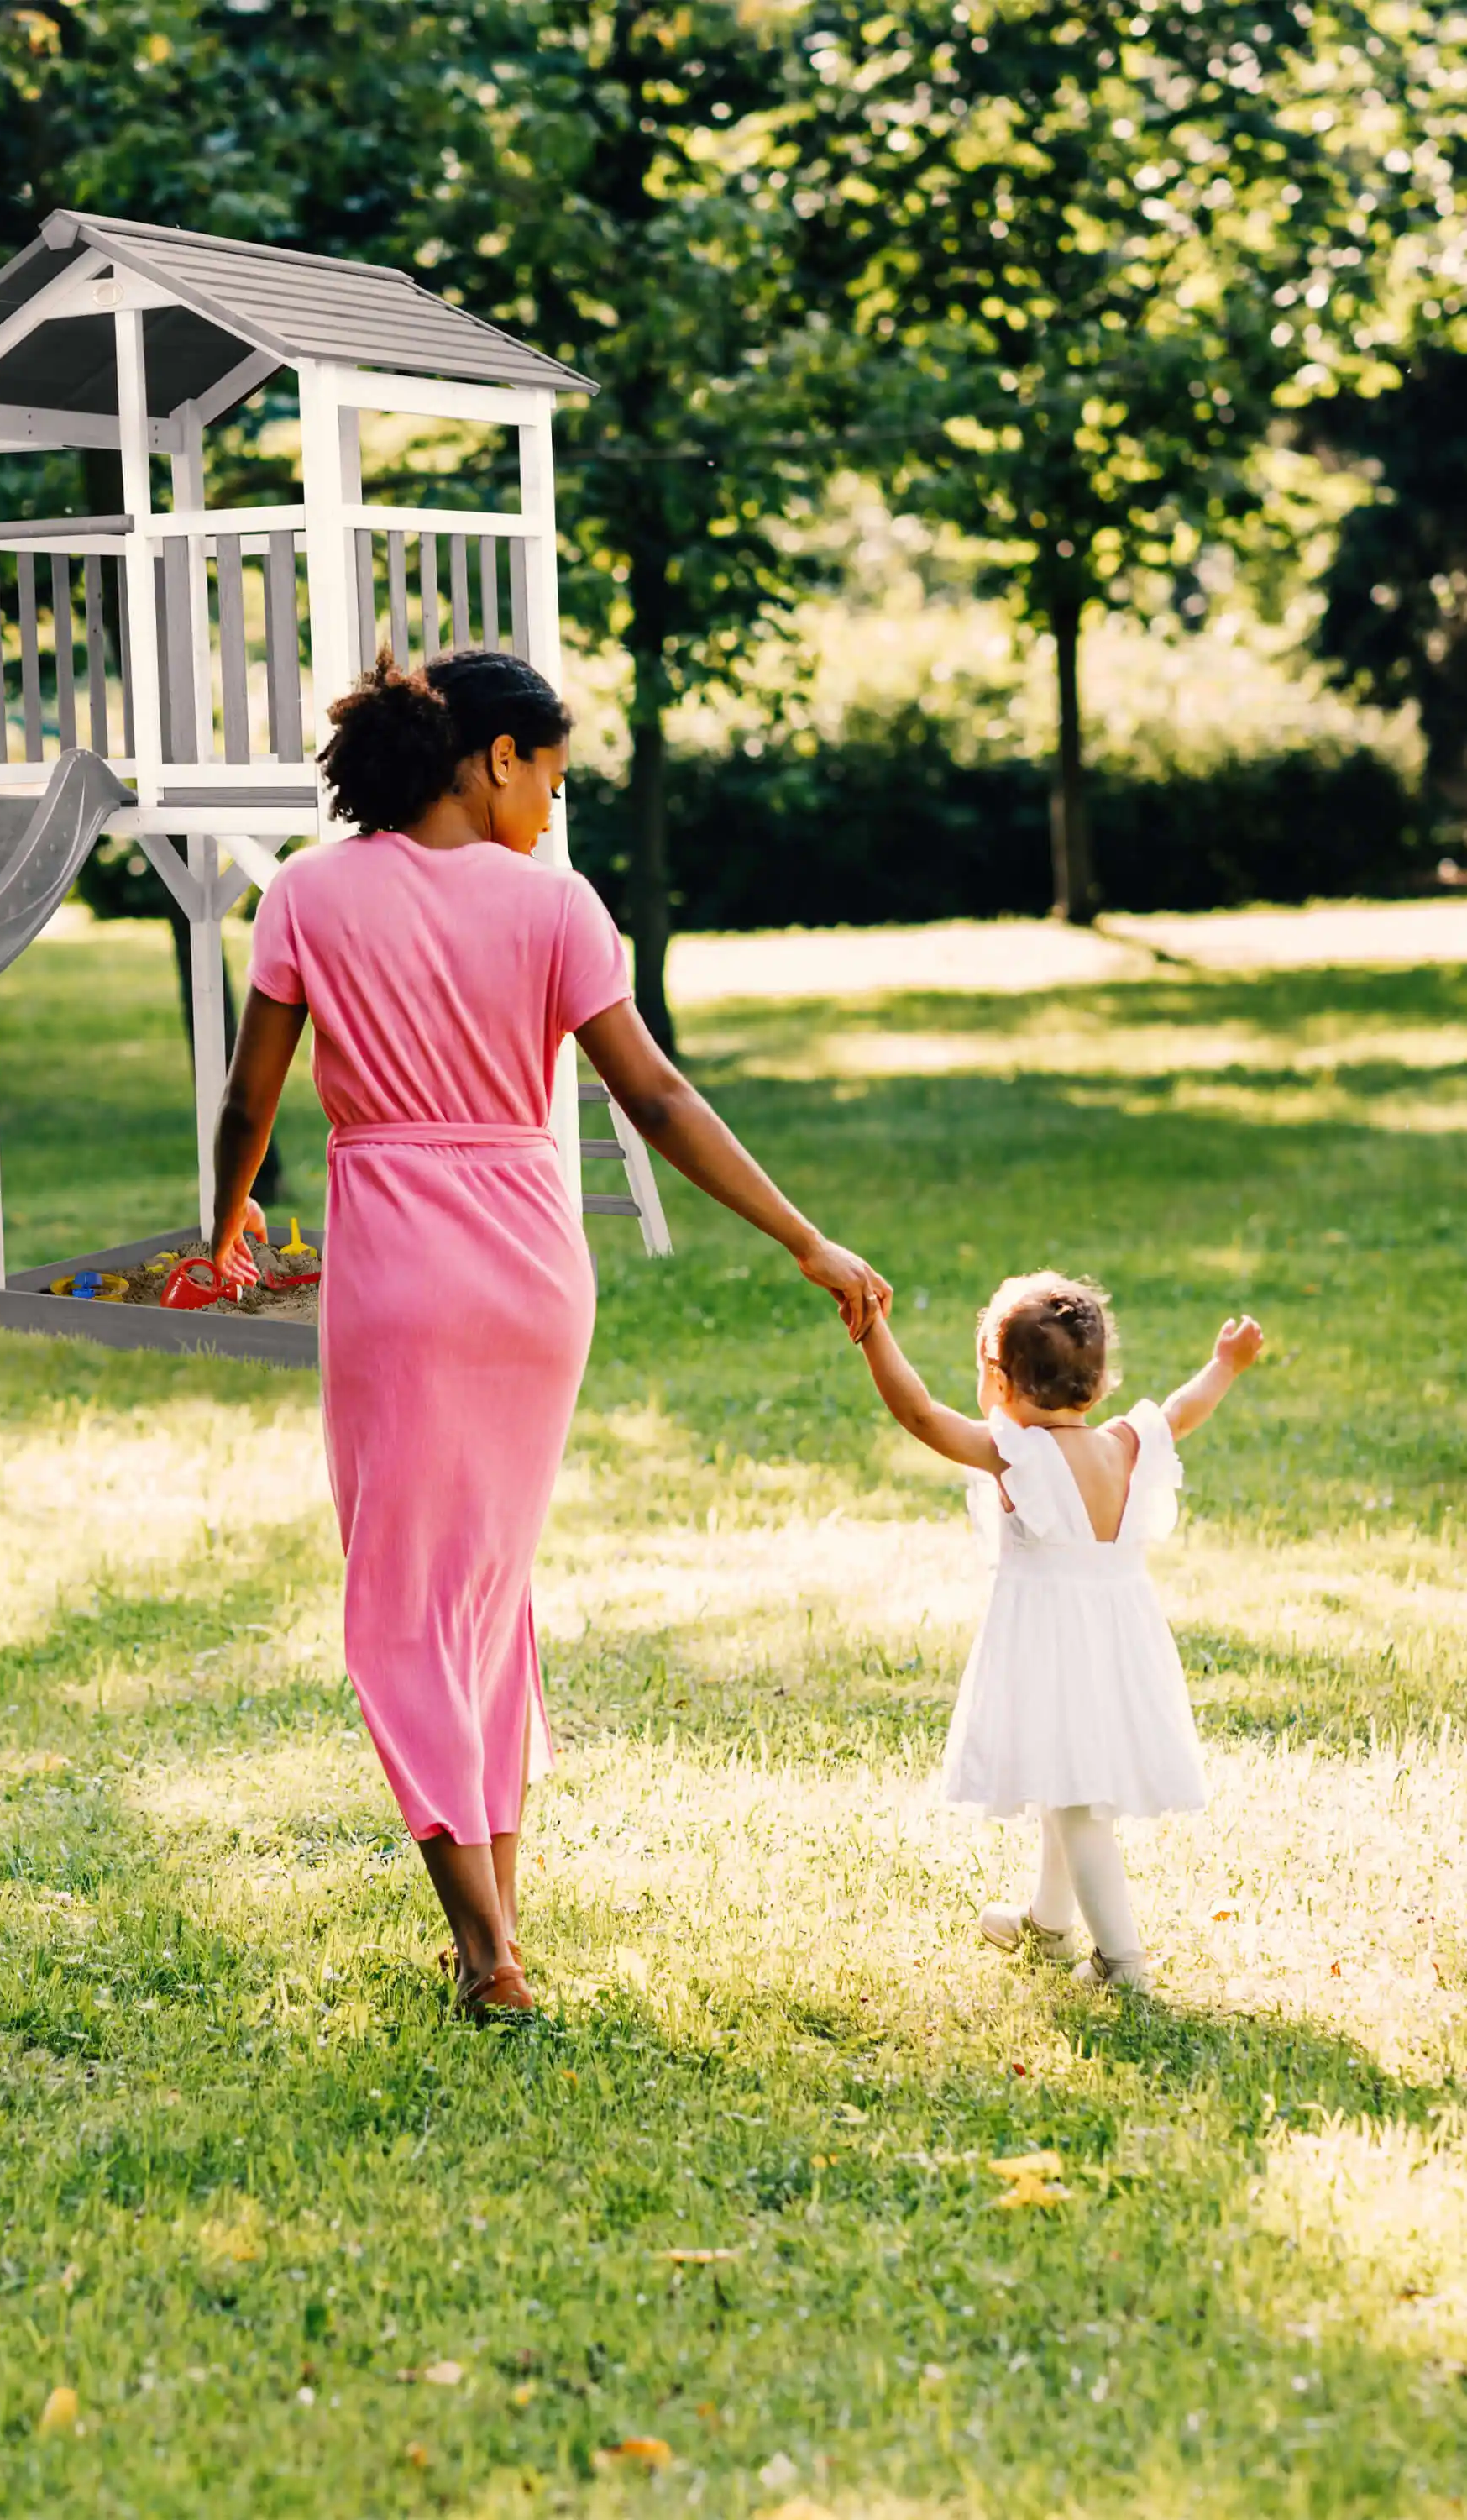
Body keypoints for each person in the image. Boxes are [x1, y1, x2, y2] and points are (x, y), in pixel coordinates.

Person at [204, 649, 891, 2020]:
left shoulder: (306, 894)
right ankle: (497, 1927)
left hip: (397, 1271)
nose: (553, 809)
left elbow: (249, 1100)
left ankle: (484, 1950)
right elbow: (658, 1099)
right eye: (553, 778)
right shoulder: (557, 908)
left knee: (404, 1604)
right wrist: (803, 1236)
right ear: (495, 758)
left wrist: (221, 1227)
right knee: (484, 1594)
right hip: (531, 1271)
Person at [850, 1273, 1267, 1992]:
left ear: (999, 1380)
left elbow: (919, 1414)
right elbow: (1182, 1409)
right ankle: (1047, 1924)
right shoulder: (1128, 1444)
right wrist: (1224, 1365)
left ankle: (1121, 1961)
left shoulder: (1018, 1456)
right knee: (1063, 1777)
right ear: (1100, 1383)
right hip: (1119, 1643)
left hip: (1052, 1647)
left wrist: (871, 1330)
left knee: (1076, 1803)